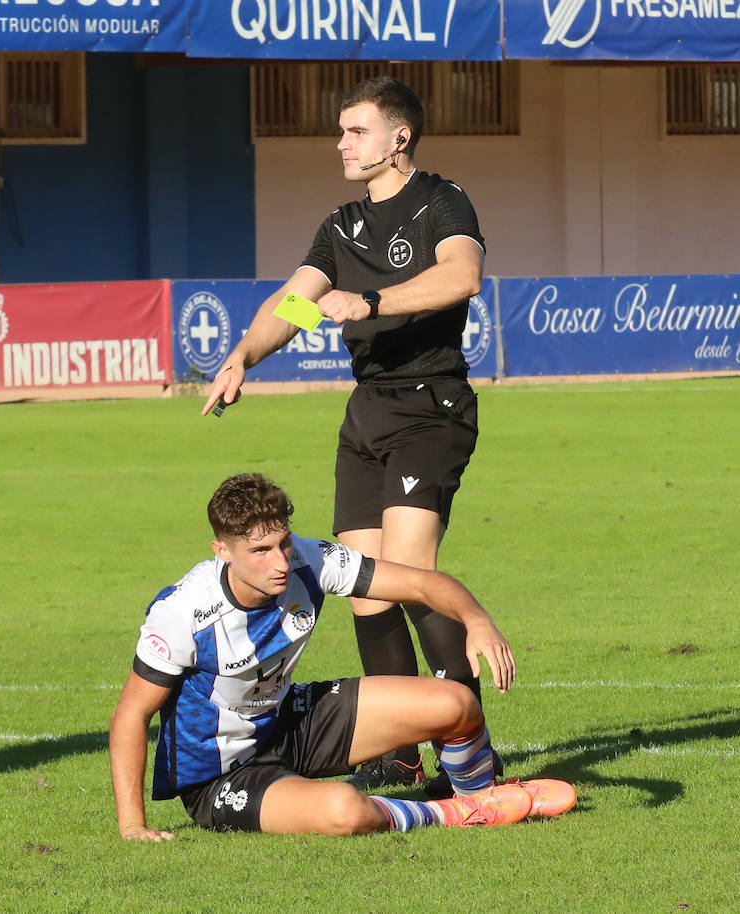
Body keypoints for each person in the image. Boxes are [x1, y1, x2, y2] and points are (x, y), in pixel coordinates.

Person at [201, 77, 489, 795]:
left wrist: (371, 299)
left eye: (354, 131)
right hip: (366, 412)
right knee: (366, 590)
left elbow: (463, 275)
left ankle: (469, 739)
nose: (341, 143)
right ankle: (398, 751)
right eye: (341, 131)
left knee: (412, 574)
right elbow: (292, 301)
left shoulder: (442, 201)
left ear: (398, 138)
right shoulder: (341, 224)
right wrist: (244, 355)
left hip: (431, 405)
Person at [109, 474, 574, 840]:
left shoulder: (309, 560)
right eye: (260, 551)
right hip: (220, 775)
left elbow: (420, 583)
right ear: (222, 551)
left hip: (288, 720)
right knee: (344, 810)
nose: (280, 562)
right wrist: (133, 826)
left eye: (284, 543)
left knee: (455, 703)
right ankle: (457, 814)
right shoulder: (182, 612)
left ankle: (483, 797)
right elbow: (132, 714)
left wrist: (478, 620)